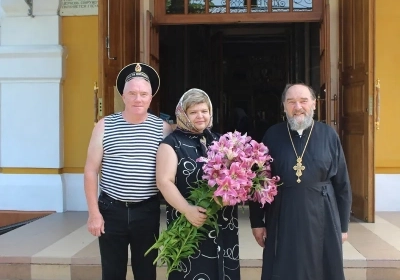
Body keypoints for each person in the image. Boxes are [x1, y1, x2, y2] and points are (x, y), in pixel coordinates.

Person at [249, 83, 352, 280]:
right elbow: (258, 182)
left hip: (323, 214)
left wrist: (343, 226)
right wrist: (256, 221)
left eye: (303, 101)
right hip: (282, 213)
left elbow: (342, 184)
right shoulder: (272, 134)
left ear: (314, 103)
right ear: (284, 106)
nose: (298, 107)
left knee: (322, 267)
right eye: (291, 102)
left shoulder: (328, 135)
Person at [84, 63, 172, 280]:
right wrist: (94, 214)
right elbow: (90, 170)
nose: (138, 99)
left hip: (147, 211)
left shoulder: (163, 128)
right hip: (111, 210)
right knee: (112, 272)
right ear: (123, 96)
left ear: (151, 97)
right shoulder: (104, 126)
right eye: (132, 93)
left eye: (143, 94)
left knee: (146, 272)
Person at [156, 88, 241, 280]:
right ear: (183, 115)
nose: (200, 116)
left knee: (224, 270)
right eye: (193, 112)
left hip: (223, 222)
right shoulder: (171, 144)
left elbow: (238, 177)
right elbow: (164, 182)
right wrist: (187, 210)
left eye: (204, 111)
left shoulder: (222, 141)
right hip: (190, 222)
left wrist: (233, 195)